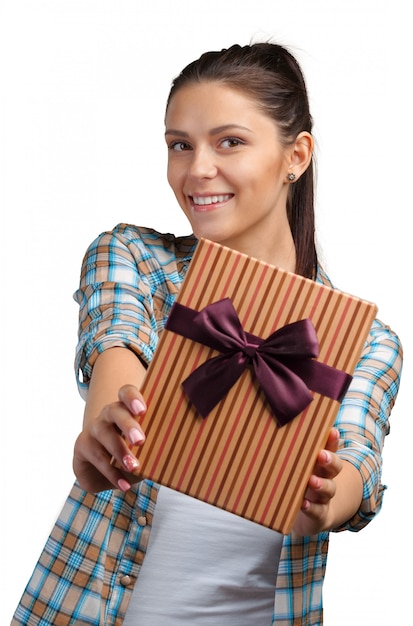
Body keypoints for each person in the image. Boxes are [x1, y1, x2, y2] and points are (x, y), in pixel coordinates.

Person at [12, 42, 402, 626]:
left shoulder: (366, 340)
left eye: (230, 142)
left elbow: (357, 466)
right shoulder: (131, 257)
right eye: (180, 145)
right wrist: (110, 431)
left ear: (296, 155)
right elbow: (117, 349)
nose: (196, 170)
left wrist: (322, 500)